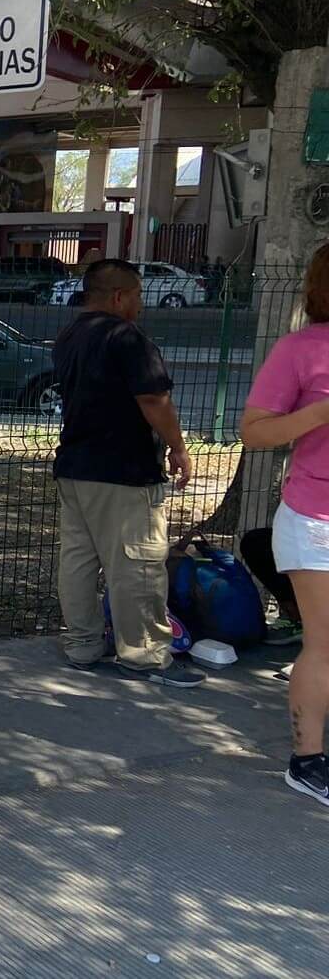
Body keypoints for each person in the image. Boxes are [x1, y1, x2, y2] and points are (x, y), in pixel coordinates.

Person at [51, 258, 205, 687]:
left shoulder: (70, 335)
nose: (141, 304)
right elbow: (154, 400)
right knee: (136, 562)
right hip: (123, 468)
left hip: (75, 465)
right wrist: (176, 445)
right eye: (137, 295)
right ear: (119, 296)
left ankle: (82, 643)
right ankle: (145, 656)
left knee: (78, 559)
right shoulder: (127, 337)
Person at [240, 242, 329, 806]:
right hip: (317, 519)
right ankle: (308, 759)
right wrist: (320, 412)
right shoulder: (301, 349)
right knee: (324, 645)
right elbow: (255, 432)